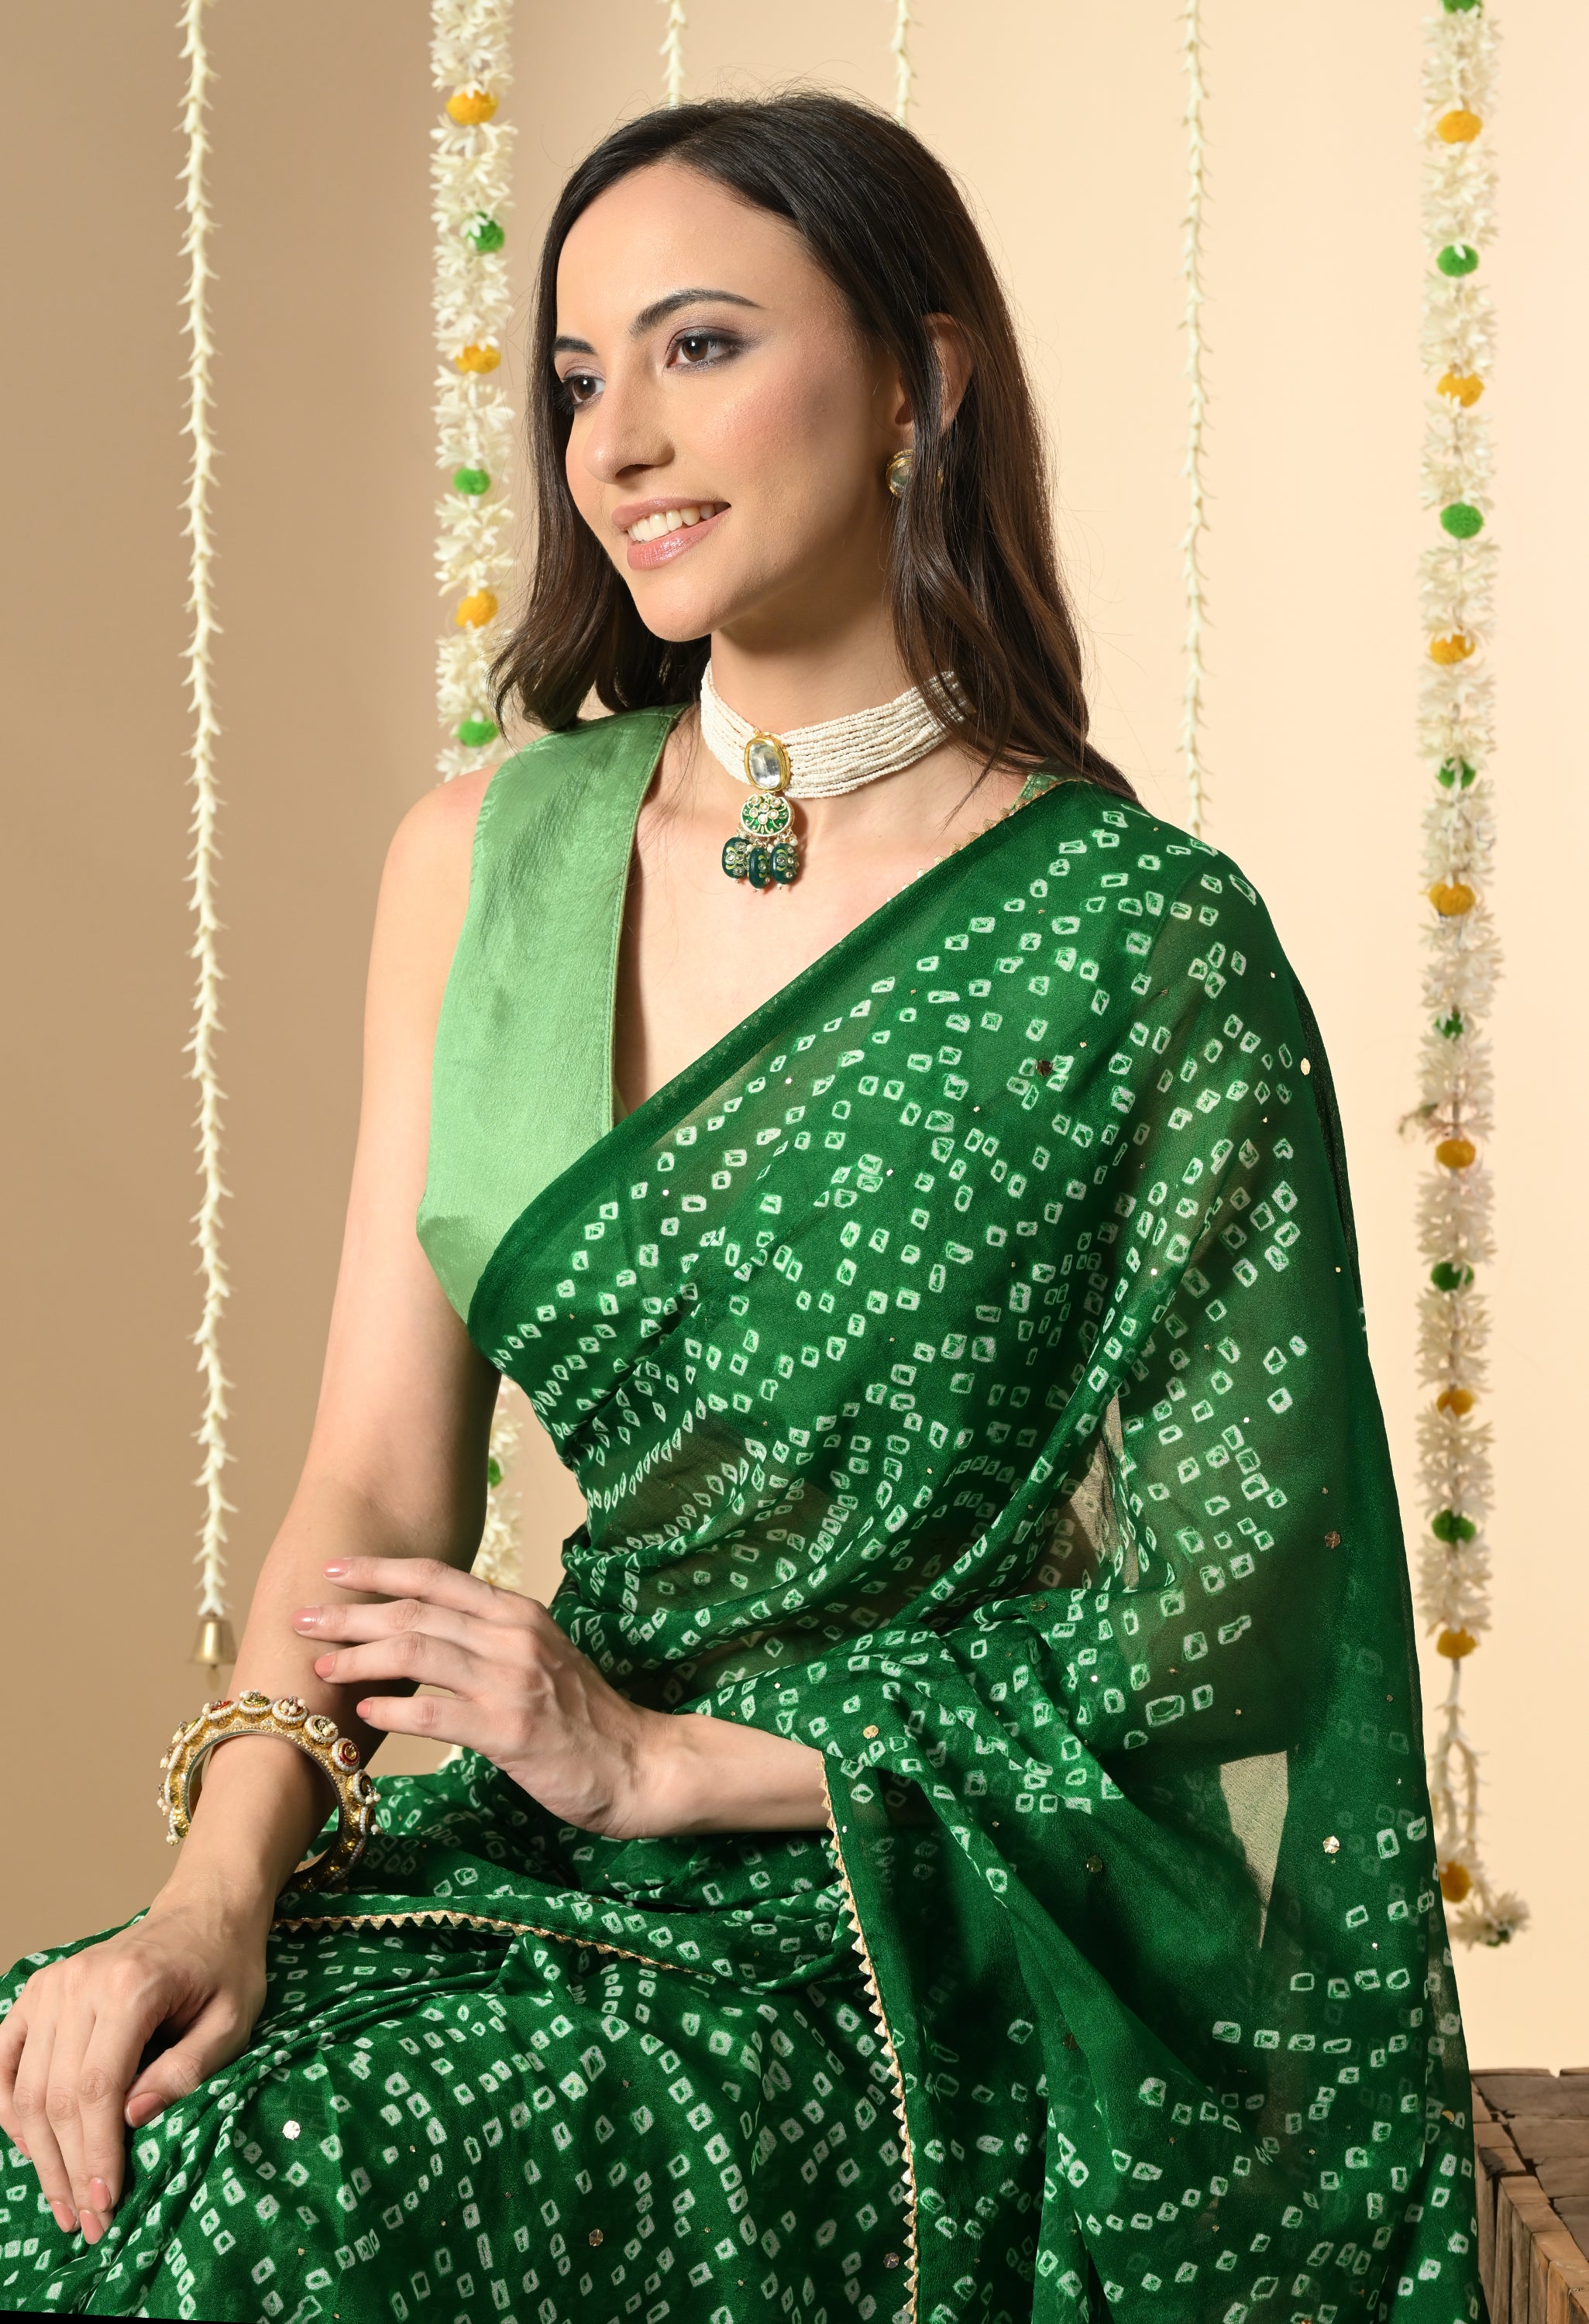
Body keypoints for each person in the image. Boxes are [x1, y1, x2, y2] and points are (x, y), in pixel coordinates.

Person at [0, 92, 1481, 2324]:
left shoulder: (1134, 940)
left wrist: (670, 1765)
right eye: (580, 377)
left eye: (696, 347)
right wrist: (212, 1899)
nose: (616, 440)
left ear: (921, 382)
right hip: (497, 1858)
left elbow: (1231, 1642)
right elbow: (373, 1482)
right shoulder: (486, 859)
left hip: (891, 1905)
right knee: (73, 2124)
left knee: (274, 2215)